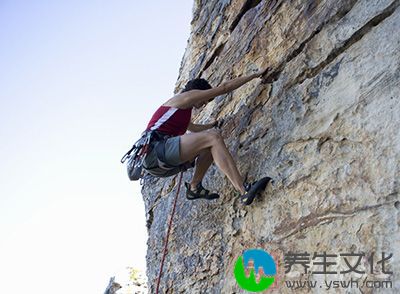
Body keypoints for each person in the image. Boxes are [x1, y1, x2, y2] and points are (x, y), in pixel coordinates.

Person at [142, 69, 268, 205]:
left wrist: (211, 125)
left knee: (209, 147)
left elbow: (193, 128)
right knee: (213, 137)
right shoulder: (184, 98)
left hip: (158, 164)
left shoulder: (182, 110)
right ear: (197, 92)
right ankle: (243, 190)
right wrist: (254, 75)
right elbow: (225, 88)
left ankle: (194, 187)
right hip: (155, 151)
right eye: (205, 99)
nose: (204, 103)